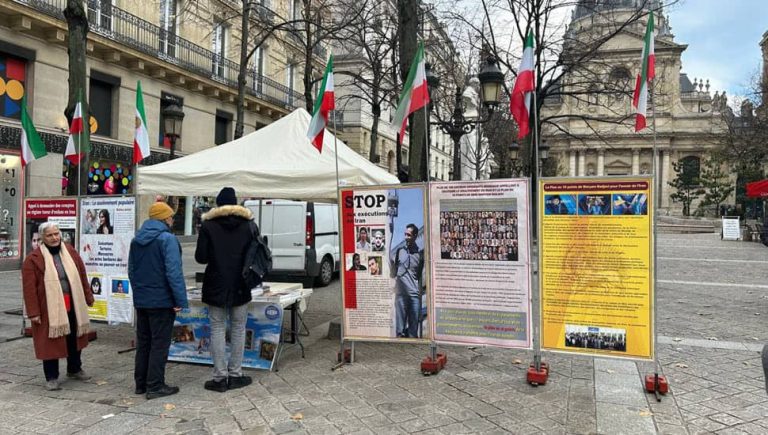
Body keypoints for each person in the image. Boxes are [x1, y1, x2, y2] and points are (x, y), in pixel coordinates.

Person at [195, 187, 256, 393]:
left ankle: (220, 378)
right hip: (241, 283)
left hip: (216, 283)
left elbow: (201, 257)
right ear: (237, 204)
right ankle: (236, 374)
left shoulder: (208, 225)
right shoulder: (249, 225)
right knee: (239, 328)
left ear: (218, 204)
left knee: (217, 328)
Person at [22, 222, 94, 391]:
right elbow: (29, 289)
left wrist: (88, 296)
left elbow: (81, 275)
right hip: (49, 307)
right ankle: (51, 377)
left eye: (56, 234)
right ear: (42, 238)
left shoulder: (70, 252)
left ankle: (74, 368)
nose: (55, 238)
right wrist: (33, 312)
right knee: (51, 342)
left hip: (73, 303)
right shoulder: (33, 259)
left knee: (74, 337)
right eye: (50, 235)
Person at [129, 201, 189, 400]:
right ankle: (155, 385)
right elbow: (173, 272)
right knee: (159, 344)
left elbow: (131, 271)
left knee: (144, 341)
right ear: (165, 218)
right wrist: (180, 299)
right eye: (171, 216)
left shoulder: (136, 240)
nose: (172, 219)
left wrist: (139, 293)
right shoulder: (167, 239)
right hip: (162, 300)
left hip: (142, 299)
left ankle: (141, 383)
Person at [390, 223, 425, 338]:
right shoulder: (400, 251)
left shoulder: (420, 255)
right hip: (400, 296)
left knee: (413, 333)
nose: (406, 237)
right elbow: (394, 273)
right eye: (405, 234)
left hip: (414, 297)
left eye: (409, 235)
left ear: (415, 236)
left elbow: (418, 275)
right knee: (399, 332)